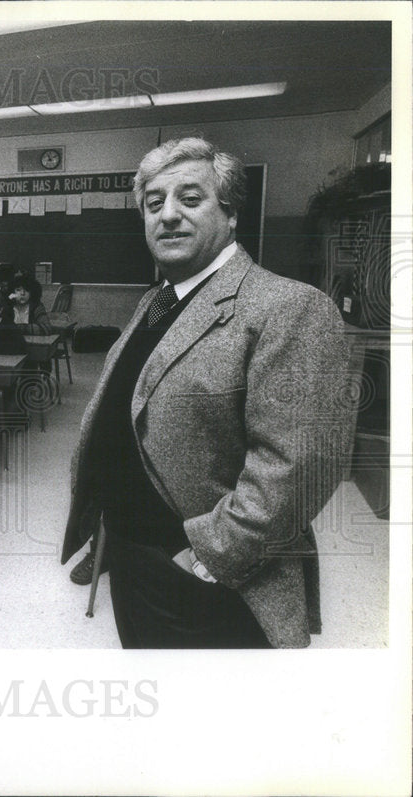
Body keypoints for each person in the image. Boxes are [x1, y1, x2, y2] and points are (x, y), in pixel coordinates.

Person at [61, 137, 355, 648]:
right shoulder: (157, 300)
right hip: (130, 555)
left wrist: (211, 557)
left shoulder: (287, 307)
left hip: (210, 579)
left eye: (189, 199)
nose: (168, 216)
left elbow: (300, 466)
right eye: (154, 204)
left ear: (231, 212)